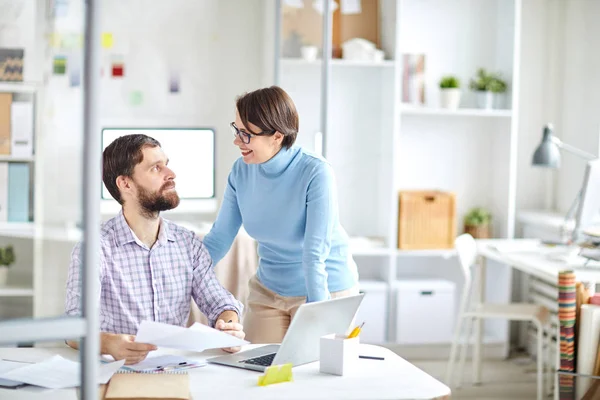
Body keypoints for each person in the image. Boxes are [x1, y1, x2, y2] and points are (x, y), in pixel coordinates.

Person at [65, 134, 245, 364]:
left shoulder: (187, 243)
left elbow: (220, 303)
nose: (171, 175)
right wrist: (109, 343)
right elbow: (73, 327)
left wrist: (228, 325)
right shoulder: (95, 248)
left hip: (176, 368)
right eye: (155, 168)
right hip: (117, 370)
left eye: (166, 165)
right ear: (125, 184)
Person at [203, 86, 359, 344]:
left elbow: (314, 252)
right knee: (255, 371)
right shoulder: (241, 172)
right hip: (269, 289)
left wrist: (318, 313)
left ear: (276, 136)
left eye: (246, 134)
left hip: (326, 289)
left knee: (314, 377)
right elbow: (219, 238)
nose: (237, 141)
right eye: (237, 130)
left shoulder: (315, 172)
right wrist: (181, 275)